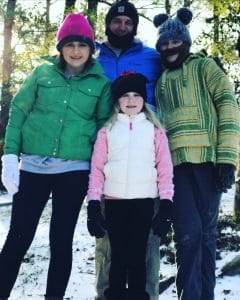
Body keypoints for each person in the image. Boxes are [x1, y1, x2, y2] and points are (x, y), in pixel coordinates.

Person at [0, 13, 111, 300]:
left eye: (83, 45)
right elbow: (19, 112)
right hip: (33, 168)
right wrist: (10, 157)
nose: (76, 51)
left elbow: (102, 129)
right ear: (61, 47)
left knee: (60, 241)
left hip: (74, 171)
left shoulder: (100, 83)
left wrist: (97, 176)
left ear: (91, 49)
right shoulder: (41, 74)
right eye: (70, 44)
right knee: (18, 238)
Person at [153, 7, 240, 300]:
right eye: (163, 44)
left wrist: (227, 158)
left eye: (174, 42)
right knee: (188, 236)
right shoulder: (160, 80)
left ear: (186, 42)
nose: (169, 47)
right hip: (176, 169)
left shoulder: (205, 68)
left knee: (206, 236)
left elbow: (228, 106)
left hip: (208, 164)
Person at [95, 1, 162, 299]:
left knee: (145, 240)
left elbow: (176, 67)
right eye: (116, 20)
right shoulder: (93, 55)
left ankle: (146, 294)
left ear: (135, 26)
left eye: (127, 22)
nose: (121, 26)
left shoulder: (151, 57)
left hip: (144, 161)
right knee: (107, 239)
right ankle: (106, 294)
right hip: (105, 152)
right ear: (108, 23)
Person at [86, 72, 174, 300]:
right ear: (117, 101)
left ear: (144, 99)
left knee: (137, 258)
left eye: (136, 95)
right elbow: (96, 169)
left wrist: (166, 204)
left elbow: (165, 170)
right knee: (117, 258)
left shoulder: (155, 132)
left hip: (144, 203)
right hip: (114, 203)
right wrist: (94, 204)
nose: (131, 100)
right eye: (125, 96)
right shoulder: (107, 131)